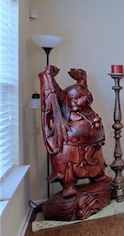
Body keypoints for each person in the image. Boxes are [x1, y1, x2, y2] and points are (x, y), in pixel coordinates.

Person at [39, 65, 111, 198]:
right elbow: (54, 95)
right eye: (83, 96)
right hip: (72, 150)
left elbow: (82, 91)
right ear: (72, 101)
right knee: (68, 168)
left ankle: (99, 177)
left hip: (93, 148)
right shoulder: (65, 111)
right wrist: (48, 77)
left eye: (87, 94)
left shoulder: (87, 110)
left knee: (98, 163)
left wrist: (82, 80)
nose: (88, 96)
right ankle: (68, 185)